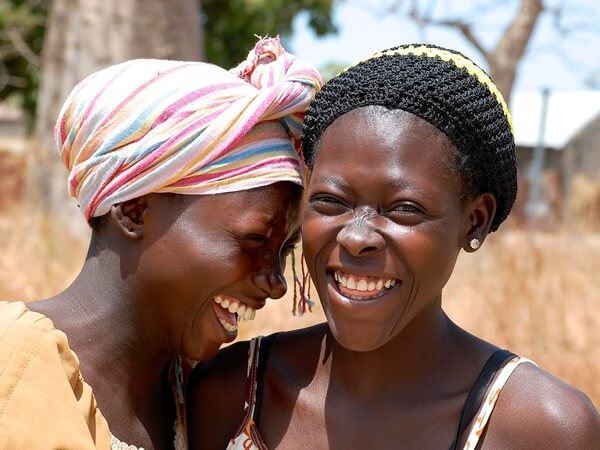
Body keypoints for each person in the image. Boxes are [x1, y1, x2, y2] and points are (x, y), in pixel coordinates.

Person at [188, 44, 600, 449]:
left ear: (475, 221)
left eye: (404, 209)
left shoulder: (542, 429)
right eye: (331, 202)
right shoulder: (233, 393)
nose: (355, 236)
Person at [0, 36, 321, 449]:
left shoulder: (198, 397)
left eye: (283, 251)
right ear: (133, 209)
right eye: (254, 240)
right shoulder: (15, 363)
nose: (276, 284)